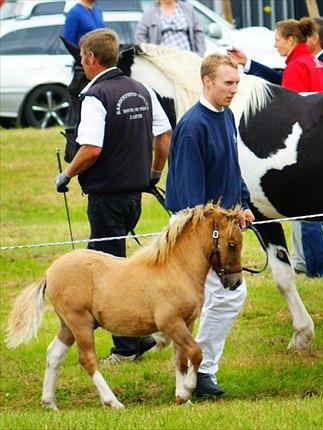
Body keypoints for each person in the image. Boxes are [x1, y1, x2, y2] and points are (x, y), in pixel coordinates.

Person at [54, 28, 172, 365]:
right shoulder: (141, 89)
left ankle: (126, 346)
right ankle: (134, 336)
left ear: (91, 58)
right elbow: (164, 135)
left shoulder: (95, 96)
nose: (81, 62)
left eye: (81, 58)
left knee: (108, 275)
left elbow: (90, 149)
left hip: (106, 196)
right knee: (106, 263)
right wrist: (154, 173)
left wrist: (66, 174)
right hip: (134, 196)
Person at [229, 17, 323, 277]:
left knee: (305, 213)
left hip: (306, 150)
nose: (274, 44)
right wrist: (248, 64)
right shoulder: (321, 66)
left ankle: (318, 270)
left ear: (291, 40)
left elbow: (287, 115)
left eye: (278, 39)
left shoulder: (296, 68)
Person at [164, 53, 256, 396]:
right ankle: (198, 369)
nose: (234, 89)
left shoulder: (227, 116)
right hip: (199, 231)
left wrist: (242, 204)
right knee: (229, 295)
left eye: (236, 83)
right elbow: (192, 203)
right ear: (207, 82)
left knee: (228, 297)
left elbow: (231, 168)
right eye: (227, 83)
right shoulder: (192, 127)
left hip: (223, 224)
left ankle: (198, 367)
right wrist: (216, 233)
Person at [136, 0, 205, 57]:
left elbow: (198, 32)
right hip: (162, 60)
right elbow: (141, 37)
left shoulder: (187, 9)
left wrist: (199, 54)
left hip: (187, 58)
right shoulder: (149, 13)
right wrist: (149, 56)